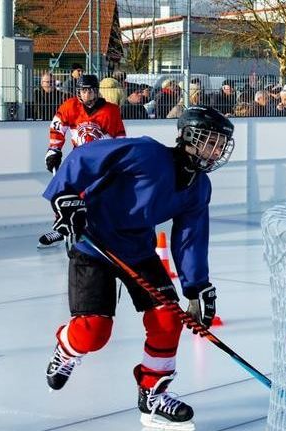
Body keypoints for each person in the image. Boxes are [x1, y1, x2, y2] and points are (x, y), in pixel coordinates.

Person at [42, 104, 233, 430]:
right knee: (93, 332)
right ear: (189, 137)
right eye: (210, 141)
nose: (216, 151)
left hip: (138, 250)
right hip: (95, 243)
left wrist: (196, 285)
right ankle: (66, 347)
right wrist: (65, 197)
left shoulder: (199, 187)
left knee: (167, 318)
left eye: (220, 145)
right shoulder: (146, 153)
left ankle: (153, 395)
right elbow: (84, 157)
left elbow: (190, 237)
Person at [40, 75, 126, 248]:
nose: (87, 94)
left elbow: (119, 137)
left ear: (97, 91)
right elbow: (57, 127)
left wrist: (119, 158)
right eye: (83, 91)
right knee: (62, 190)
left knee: (101, 195)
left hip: (102, 161)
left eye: (90, 91)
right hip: (78, 159)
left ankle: (101, 229)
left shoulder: (111, 110)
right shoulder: (70, 106)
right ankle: (62, 227)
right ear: (78, 92)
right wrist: (54, 149)